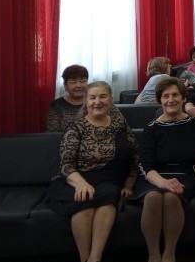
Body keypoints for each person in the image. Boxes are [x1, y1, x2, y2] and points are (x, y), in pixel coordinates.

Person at [133, 77, 195, 262]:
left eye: (175, 95)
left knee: (171, 197)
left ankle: (169, 254)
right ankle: (153, 255)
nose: (170, 100)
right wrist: (163, 182)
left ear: (183, 98)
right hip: (155, 176)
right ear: (160, 100)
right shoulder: (151, 128)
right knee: (152, 197)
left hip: (187, 174)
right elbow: (146, 165)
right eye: (165, 96)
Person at [45, 81, 139, 262]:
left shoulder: (120, 124)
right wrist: (81, 183)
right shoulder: (76, 127)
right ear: (86, 101)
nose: (97, 102)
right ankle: (85, 258)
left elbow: (135, 154)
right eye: (92, 97)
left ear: (110, 100)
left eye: (103, 96)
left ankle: (95, 257)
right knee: (84, 200)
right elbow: (66, 164)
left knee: (109, 196)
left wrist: (128, 184)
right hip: (74, 178)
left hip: (108, 179)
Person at [47, 64, 89, 132]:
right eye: (73, 82)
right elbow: (52, 132)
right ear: (65, 85)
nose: (79, 85)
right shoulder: (57, 105)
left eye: (83, 81)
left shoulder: (95, 102)